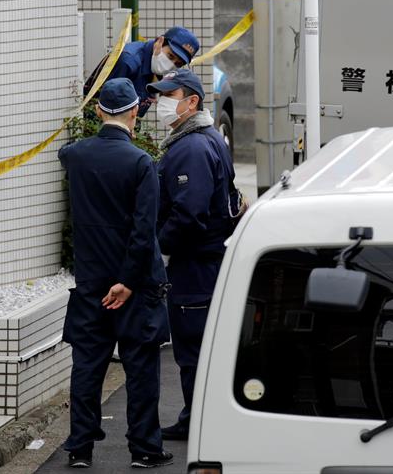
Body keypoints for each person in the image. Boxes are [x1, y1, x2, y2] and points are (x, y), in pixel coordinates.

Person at [59, 78, 173, 469]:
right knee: (141, 369)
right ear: (135, 111)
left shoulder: (75, 156)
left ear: (97, 111)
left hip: (91, 282)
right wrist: (127, 281)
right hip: (136, 286)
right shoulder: (140, 163)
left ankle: (80, 448)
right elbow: (144, 230)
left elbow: (64, 152)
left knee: (87, 366)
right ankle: (144, 448)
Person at [146, 69, 236, 441]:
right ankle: (202, 418)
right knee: (203, 347)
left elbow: (189, 214)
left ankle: (197, 422)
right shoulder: (207, 139)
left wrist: (158, 248)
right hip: (208, 262)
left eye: (170, 96)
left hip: (195, 265)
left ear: (192, 101)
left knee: (194, 348)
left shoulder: (191, 148)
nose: (162, 103)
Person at [85, 26, 200, 117]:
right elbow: (103, 106)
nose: (171, 64)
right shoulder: (128, 61)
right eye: (170, 56)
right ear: (159, 42)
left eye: (178, 64)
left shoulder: (157, 69)